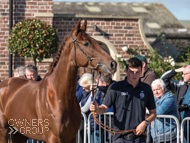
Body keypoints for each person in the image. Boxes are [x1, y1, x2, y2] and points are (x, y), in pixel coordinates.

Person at [90, 57, 157, 143]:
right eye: (131, 72)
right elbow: (104, 107)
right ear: (126, 71)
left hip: (139, 138)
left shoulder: (146, 88)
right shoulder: (116, 87)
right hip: (120, 137)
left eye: (137, 72)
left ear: (142, 72)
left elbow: (153, 113)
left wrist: (145, 123)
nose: (134, 75)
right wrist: (96, 109)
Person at [162, 65, 190, 143]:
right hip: (184, 126)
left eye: (184, 73)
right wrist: (176, 70)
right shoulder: (180, 85)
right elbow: (163, 80)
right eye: (182, 73)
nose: (182, 75)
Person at [78, 73, 104, 143]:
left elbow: (85, 108)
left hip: (96, 125)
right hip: (90, 125)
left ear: (90, 84)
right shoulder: (85, 93)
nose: (83, 88)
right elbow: (80, 105)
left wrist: (77, 110)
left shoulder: (96, 92)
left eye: (84, 85)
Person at [151, 79, 178, 143]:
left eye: (158, 89)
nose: (156, 92)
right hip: (156, 134)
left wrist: (148, 110)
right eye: (154, 90)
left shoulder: (169, 97)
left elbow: (158, 112)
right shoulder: (153, 98)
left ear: (164, 88)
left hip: (168, 134)